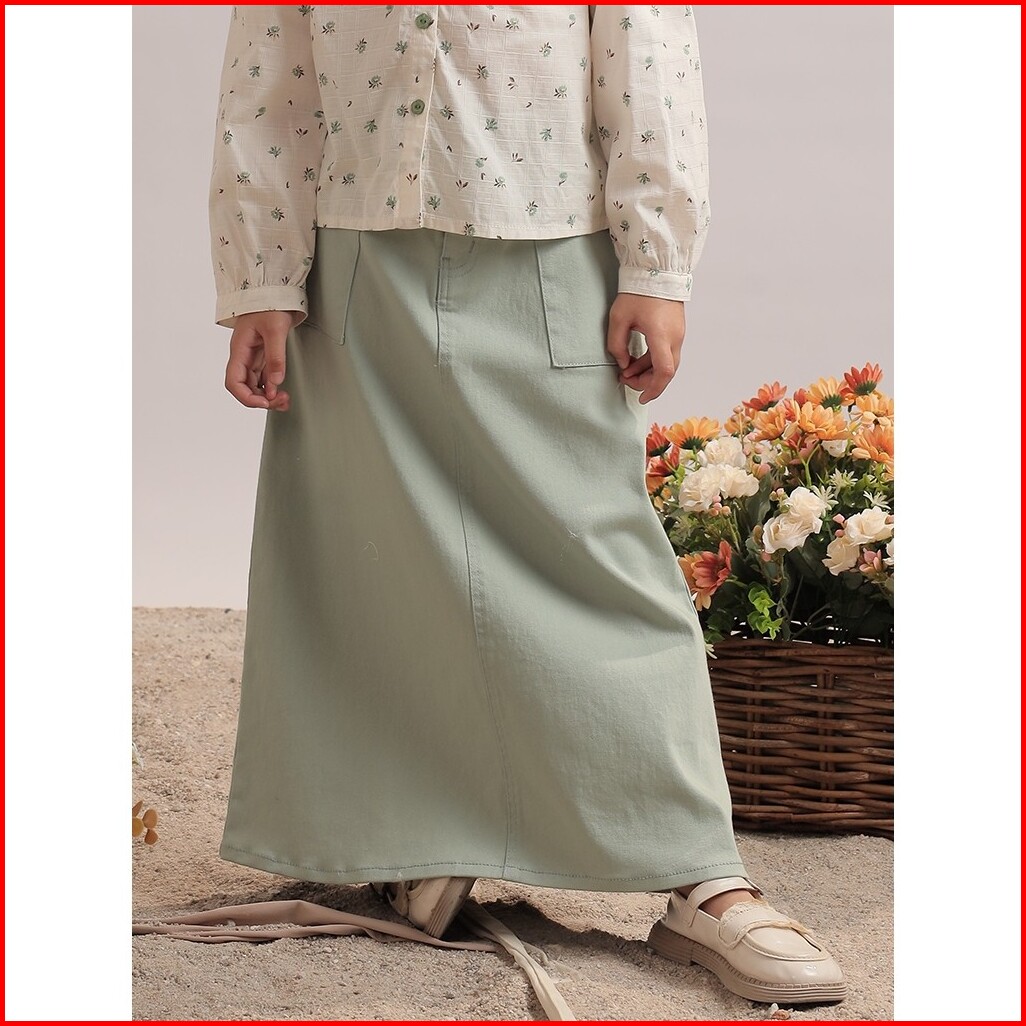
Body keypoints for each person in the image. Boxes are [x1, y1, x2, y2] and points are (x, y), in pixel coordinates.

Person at [209, 4, 846, 1008]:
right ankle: (416, 829)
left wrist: (655, 261)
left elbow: (647, 53)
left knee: (598, 561)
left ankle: (703, 877)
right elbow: (270, 73)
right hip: (355, 255)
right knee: (368, 559)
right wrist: (262, 275)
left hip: (546, 241)